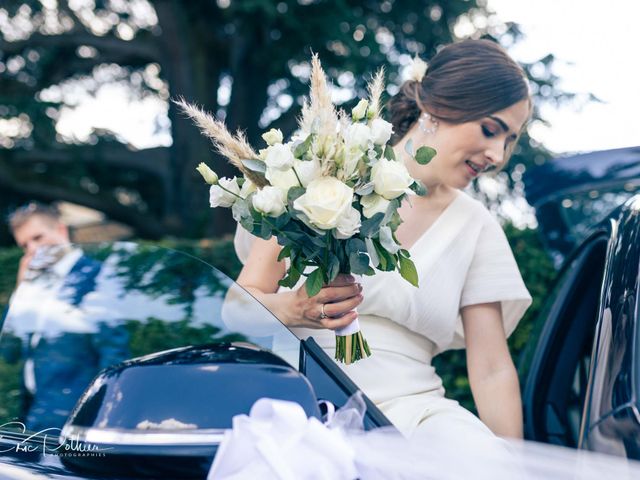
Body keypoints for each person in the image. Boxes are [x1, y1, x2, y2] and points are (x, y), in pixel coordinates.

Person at [234, 39, 532, 447]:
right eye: (490, 129)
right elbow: (237, 310)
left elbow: (492, 368)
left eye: (510, 140)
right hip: (295, 405)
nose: (498, 154)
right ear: (439, 106)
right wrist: (295, 308)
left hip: (417, 417)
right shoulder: (318, 172)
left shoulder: (476, 226)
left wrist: (514, 461)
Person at [2, 202, 129, 432]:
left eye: (38, 237)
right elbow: (9, 350)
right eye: (25, 245)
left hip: (77, 418)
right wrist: (20, 290)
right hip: (33, 414)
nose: (32, 249)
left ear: (61, 230)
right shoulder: (34, 284)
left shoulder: (96, 275)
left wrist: (101, 416)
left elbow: (113, 352)